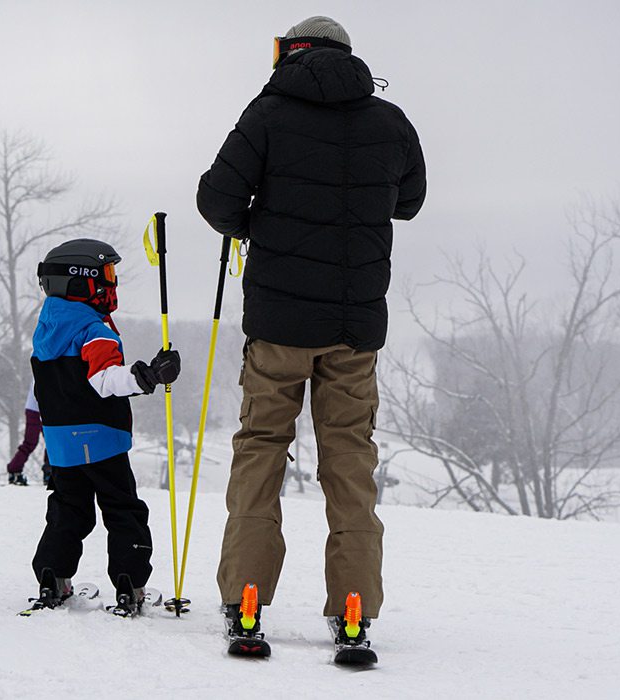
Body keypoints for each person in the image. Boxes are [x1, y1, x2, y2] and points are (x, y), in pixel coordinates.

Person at [196, 16, 426, 654]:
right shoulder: (390, 121)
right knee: (349, 461)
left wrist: (254, 226)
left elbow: (216, 199)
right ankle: (353, 609)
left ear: (289, 53)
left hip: (276, 327)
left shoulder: (267, 113)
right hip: (355, 329)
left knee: (261, 449)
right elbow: (409, 201)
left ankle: (246, 599)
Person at [26, 238, 181, 616]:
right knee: (122, 509)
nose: (112, 284)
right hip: (101, 438)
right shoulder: (94, 329)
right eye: (107, 275)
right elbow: (104, 380)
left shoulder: (48, 326)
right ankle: (130, 585)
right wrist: (146, 377)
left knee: (69, 508)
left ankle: (53, 578)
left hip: (61, 442)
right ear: (81, 281)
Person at [5, 385, 43, 487]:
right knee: (30, 442)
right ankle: (14, 469)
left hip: (41, 409)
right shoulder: (42, 372)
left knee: (52, 442)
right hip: (35, 411)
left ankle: (50, 470)